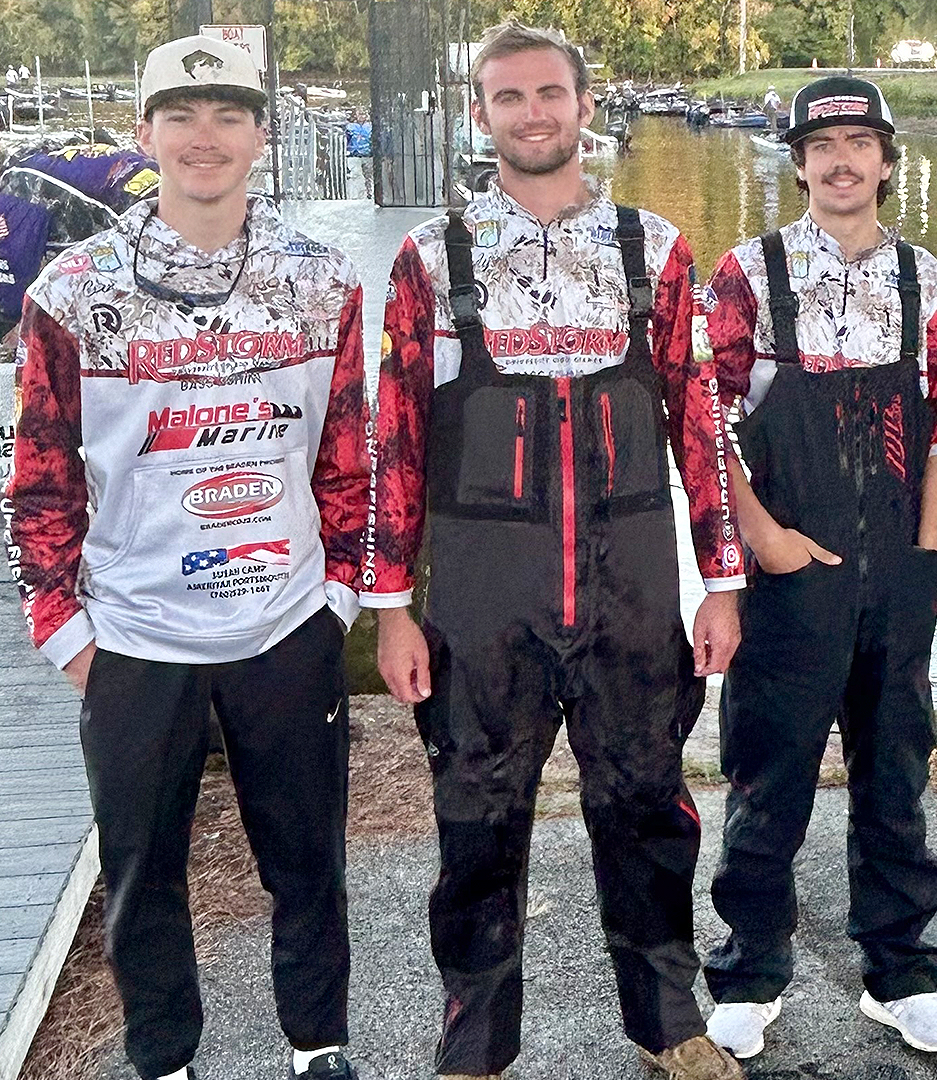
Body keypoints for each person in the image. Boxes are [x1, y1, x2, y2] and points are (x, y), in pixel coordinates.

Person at [365, 21, 743, 1080]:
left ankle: (670, 1024)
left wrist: (722, 585)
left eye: (550, 94)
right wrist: (390, 605)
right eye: (508, 97)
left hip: (631, 589)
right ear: (480, 114)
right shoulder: (430, 258)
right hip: (485, 598)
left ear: (584, 104)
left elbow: (702, 424)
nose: (532, 113)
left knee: (647, 807)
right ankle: (476, 1044)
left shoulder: (654, 250)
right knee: (477, 819)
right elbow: (391, 433)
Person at [6, 34, 368, 1080]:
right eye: (180, 113)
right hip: (131, 634)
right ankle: (165, 1058)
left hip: (285, 624)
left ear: (262, 133)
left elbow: (352, 453)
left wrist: (338, 596)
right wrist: (63, 629)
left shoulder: (321, 278)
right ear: (144, 134)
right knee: (140, 870)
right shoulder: (71, 292)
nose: (203, 136)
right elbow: (40, 475)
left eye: (226, 113)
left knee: (307, 860)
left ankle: (318, 1043)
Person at [696, 74, 937, 1060]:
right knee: (768, 773)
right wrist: (762, 537)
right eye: (823, 145)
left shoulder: (925, 281)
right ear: (800, 159)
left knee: (896, 769)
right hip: (788, 566)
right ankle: (750, 972)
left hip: (898, 562)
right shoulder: (748, 274)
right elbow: (710, 416)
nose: (842, 161)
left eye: (860, 143)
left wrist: (929, 554)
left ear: (887, 160)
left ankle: (899, 974)